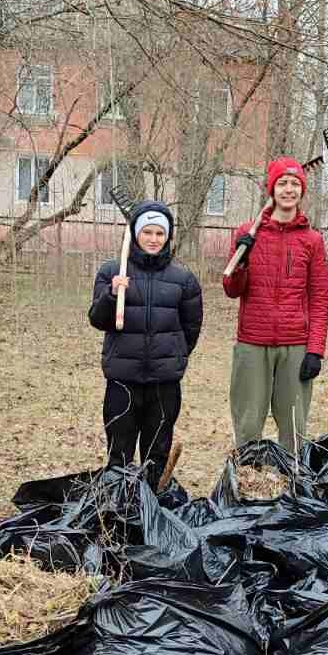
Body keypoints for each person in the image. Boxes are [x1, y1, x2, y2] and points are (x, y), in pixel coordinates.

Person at [89, 200, 203, 487]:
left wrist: (174, 356)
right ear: (136, 235)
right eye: (147, 232)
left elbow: (191, 327)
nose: (153, 239)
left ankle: (152, 508)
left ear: (168, 237)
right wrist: (112, 294)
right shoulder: (113, 272)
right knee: (120, 454)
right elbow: (98, 319)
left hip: (164, 385)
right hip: (122, 382)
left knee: (156, 454)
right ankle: (119, 510)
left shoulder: (183, 279)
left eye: (160, 234)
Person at [222, 156, 328, 453]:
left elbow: (320, 298)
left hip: (295, 345)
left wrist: (315, 350)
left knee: (294, 428)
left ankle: (293, 486)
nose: (288, 189)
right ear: (272, 189)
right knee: (248, 423)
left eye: (295, 184)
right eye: (282, 183)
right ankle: (245, 481)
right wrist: (242, 260)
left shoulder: (312, 240)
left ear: (302, 191)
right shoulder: (248, 233)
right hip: (252, 343)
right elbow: (231, 289)